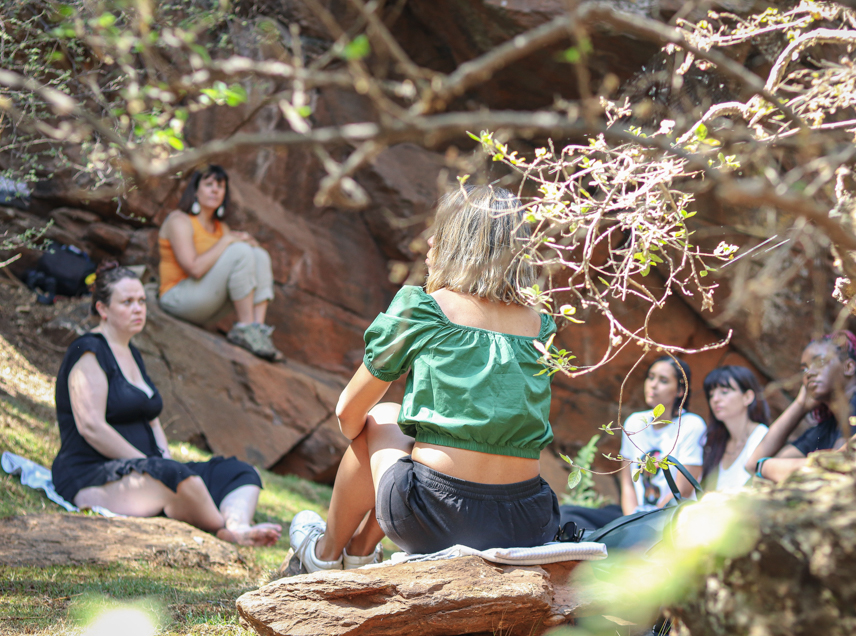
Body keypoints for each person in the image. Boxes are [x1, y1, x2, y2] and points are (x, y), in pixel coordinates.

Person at [288, 185, 561, 572]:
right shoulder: (541, 326)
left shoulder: (424, 309)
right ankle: (361, 554)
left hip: (436, 517)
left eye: (441, 230)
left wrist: (372, 449)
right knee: (424, 443)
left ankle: (325, 555)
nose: (430, 240)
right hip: (528, 522)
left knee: (382, 414)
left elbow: (347, 412)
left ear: (461, 242)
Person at [51, 264, 281, 546]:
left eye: (141, 301)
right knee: (178, 477)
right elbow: (91, 427)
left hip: (149, 469)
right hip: (94, 474)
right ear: (102, 308)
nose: (138, 309)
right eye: (127, 302)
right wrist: (149, 464)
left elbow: (151, 417)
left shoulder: (131, 352)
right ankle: (226, 530)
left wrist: (163, 460)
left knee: (241, 472)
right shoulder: (88, 351)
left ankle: (237, 523)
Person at [158, 165, 281, 360]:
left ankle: (257, 332)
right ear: (195, 191)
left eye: (220, 186)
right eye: (208, 184)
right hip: (177, 298)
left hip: (208, 306)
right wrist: (227, 242)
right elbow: (195, 269)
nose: (215, 190)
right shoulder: (179, 220)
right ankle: (246, 329)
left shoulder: (221, 228)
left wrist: (250, 245)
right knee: (240, 251)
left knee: (259, 255)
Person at [745, 330, 856, 484]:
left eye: (820, 362)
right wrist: (800, 405)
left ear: (848, 367)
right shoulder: (826, 428)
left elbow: (837, 468)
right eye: (804, 369)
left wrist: (767, 466)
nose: (810, 373)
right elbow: (752, 464)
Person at [619, 356, 707, 514]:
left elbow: (682, 491)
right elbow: (627, 483)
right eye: (651, 377)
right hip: (634, 519)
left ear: (680, 391)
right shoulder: (634, 422)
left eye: (663, 381)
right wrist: (629, 522)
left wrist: (645, 525)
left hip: (673, 519)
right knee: (573, 513)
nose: (653, 385)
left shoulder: (691, 425)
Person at [700, 365, 771, 491]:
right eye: (711, 395)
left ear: (747, 397)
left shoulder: (761, 436)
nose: (715, 399)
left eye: (724, 392)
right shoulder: (713, 442)